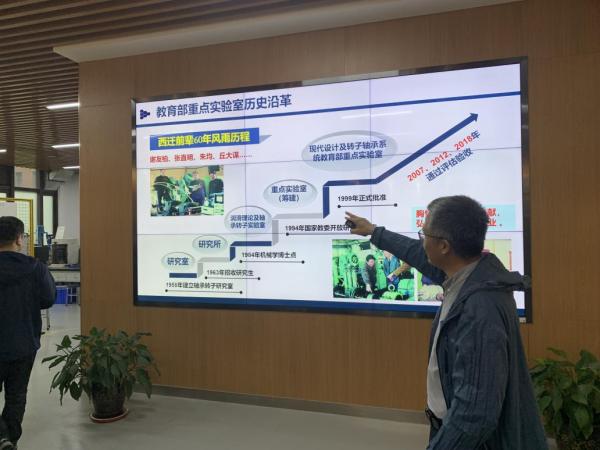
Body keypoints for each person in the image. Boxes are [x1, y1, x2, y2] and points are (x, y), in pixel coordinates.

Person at [345, 196, 547, 450]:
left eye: (424, 234)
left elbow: (473, 416)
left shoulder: (480, 308)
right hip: (449, 425)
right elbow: (415, 253)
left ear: (443, 246)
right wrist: (374, 231)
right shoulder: (471, 274)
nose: (421, 241)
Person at [0, 217, 56, 449]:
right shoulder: (36, 268)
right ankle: (9, 440)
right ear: (19, 239)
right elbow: (48, 299)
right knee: (16, 395)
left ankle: (2, 437)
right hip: (24, 342)